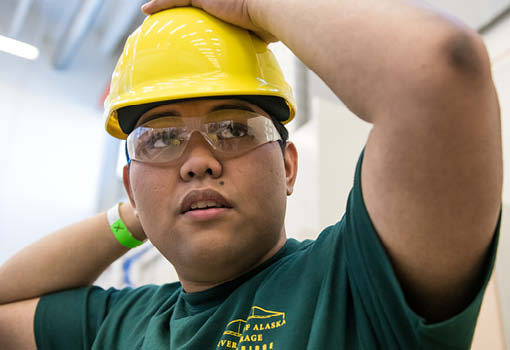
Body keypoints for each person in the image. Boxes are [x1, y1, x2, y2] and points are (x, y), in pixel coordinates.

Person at [0, 0, 503, 349]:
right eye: (161, 140)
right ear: (131, 184)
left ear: (287, 166)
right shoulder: (119, 326)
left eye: (234, 129)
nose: (198, 160)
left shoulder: (351, 286)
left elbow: (439, 69)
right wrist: (139, 217)